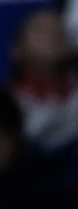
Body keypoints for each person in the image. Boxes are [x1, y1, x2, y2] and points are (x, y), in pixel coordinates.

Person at [10, 9, 78, 166]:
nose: (54, 34)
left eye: (60, 30)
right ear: (17, 50)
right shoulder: (11, 105)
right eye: (41, 30)